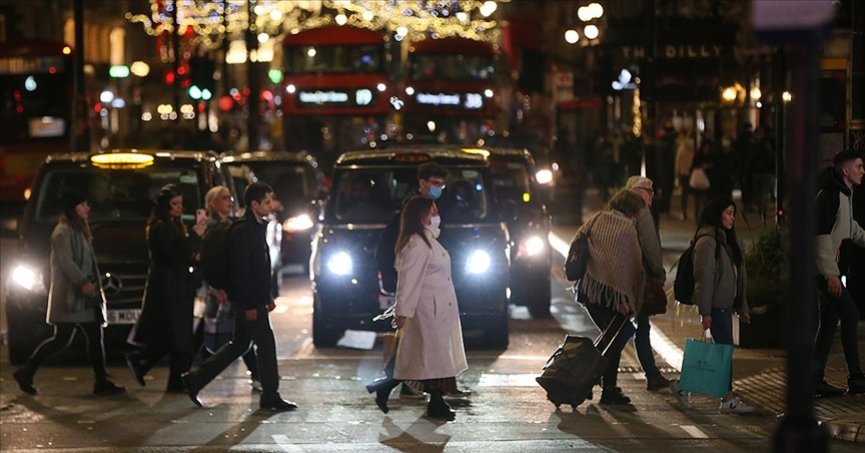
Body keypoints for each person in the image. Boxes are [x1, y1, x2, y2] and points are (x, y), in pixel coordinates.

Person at [182, 182, 297, 412]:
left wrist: (267, 296)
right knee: (265, 344)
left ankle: (195, 379)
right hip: (248, 301)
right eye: (266, 202)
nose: (270, 205)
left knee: (240, 344)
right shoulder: (243, 230)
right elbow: (242, 271)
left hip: (255, 298)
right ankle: (271, 395)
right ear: (254, 204)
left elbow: (259, 267)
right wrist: (250, 304)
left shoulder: (254, 226)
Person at [13, 190, 125, 396]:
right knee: (63, 339)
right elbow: (66, 261)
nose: (87, 208)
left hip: (84, 297)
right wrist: (82, 282)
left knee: (93, 334)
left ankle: (101, 380)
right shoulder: (62, 232)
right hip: (71, 297)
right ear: (73, 208)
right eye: (83, 204)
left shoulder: (79, 229)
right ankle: (27, 370)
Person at [373, 161, 449, 399]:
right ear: (422, 183)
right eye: (435, 183)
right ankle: (404, 385)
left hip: (428, 288)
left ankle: (395, 383)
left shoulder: (432, 206)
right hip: (420, 290)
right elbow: (403, 252)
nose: (439, 188)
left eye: (442, 184)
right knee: (422, 342)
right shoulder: (415, 208)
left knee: (416, 341)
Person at [388, 196, 468, 420]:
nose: (436, 216)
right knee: (434, 358)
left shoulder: (429, 240)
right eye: (432, 212)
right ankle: (436, 402)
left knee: (434, 357)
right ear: (420, 216)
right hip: (428, 311)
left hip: (439, 309)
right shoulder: (418, 244)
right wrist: (402, 311)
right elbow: (408, 281)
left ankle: (434, 400)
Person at [126, 184, 206, 393]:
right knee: (178, 337)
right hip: (169, 287)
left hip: (179, 285)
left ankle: (164, 375)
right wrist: (195, 237)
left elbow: (183, 253)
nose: (179, 208)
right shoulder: (160, 227)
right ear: (164, 206)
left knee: (177, 337)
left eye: (180, 203)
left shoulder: (173, 225)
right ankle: (172, 378)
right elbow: (174, 254)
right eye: (174, 204)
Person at [577, 189, 645, 405]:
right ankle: (585, 379)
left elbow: (577, 243)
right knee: (619, 335)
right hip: (613, 297)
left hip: (590, 291)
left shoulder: (596, 218)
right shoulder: (627, 229)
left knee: (611, 338)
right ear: (632, 210)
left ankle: (607, 389)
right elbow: (633, 267)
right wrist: (629, 298)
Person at [690, 198, 754, 413]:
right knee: (724, 353)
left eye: (733, 213)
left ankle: (684, 387)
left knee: (722, 353)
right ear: (717, 214)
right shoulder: (708, 242)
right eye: (728, 213)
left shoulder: (727, 241)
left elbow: (738, 277)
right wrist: (705, 312)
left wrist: (742, 307)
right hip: (716, 309)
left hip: (726, 308)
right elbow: (704, 279)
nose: (732, 217)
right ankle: (727, 399)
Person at [198, 186, 261, 393]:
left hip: (230, 286)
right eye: (225, 198)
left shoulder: (231, 223)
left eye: (231, 198)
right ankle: (195, 376)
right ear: (213, 202)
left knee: (240, 337)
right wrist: (217, 288)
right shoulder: (212, 226)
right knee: (237, 337)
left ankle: (258, 375)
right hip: (220, 288)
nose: (230, 201)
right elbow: (211, 260)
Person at [813, 150, 865, 397]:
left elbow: (849, 228)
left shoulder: (844, 194)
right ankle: (855, 377)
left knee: (829, 323)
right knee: (851, 314)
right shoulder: (830, 196)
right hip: (823, 274)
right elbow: (820, 236)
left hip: (827, 272)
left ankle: (814, 379)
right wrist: (830, 275)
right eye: (858, 167)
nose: (862, 171)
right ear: (846, 171)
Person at [625, 176, 673, 392]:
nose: (652, 195)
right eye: (648, 191)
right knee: (638, 328)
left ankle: (652, 375)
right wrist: (659, 273)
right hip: (637, 280)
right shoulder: (642, 212)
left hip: (620, 278)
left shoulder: (619, 211)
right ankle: (651, 376)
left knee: (638, 327)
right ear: (636, 192)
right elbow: (651, 247)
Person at [674, 129, 696, 221]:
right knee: (696, 194)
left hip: (684, 173)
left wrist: (677, 175)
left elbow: (678, 163)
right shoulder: (695, 149)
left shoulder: (681, 149)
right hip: (693, 173)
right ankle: (696, 212)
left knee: (684, 194)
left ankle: (684, 211)